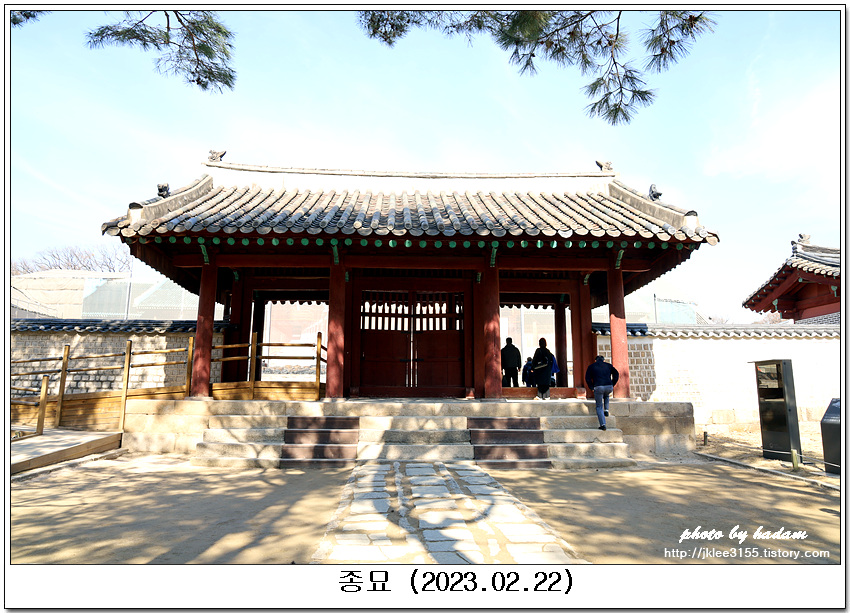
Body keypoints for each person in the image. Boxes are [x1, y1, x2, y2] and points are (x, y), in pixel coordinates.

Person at [585, 355, 619, 430]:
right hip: (609, 386)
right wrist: (612, 383)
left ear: (595, 360)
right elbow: (616, 374)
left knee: (599, 406)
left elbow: (587, 378)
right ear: (603, 360)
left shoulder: (591, 366)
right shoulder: (609, 366)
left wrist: (591, 387)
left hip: (598, 387)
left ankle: (603, 424)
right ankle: (606, 410)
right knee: (606, 395)